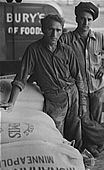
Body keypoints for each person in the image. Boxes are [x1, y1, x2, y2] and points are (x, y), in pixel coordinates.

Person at [0, 14, 87, 151]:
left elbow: (79, 78)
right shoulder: (33, 50)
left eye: (58, 30)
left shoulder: (67, 50)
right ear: (43, 29)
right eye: (50, 29)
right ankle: (59, 162)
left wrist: (83, 102)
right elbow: (21, 78)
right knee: (56, 134)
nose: (54, 34)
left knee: (76, 128)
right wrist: (11, 102)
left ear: (62, 31)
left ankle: (78, 161)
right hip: (54, 99)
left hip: (73, 94)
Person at [60, 2, 104, 155]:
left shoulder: (99, 38)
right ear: (76, 19)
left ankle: (95, 145)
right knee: (83, 118)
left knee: (96, 118)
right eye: (82, 19)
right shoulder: (67, 39)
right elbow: (56, 53)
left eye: (89, 19)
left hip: (97, 86)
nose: (85, 23)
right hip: (80, 89)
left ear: (92, 21)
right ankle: (92, 143)